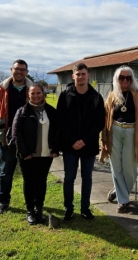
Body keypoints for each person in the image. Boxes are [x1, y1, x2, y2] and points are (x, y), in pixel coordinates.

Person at [100, 66, 138, 213]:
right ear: (116, 79)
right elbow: (105, 116)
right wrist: (104, 139)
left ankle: (119, 191)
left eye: (128, 78)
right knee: (116, 167)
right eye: (122, 77)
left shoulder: (137, 94)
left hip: (132, 132)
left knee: (129, 168)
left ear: (132, 79)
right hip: (114, 132)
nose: (125, 80)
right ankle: (123, 200)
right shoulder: (113, 95)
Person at [56, 63, 105, 222]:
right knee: (69, 178)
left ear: (88, 75)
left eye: (83, 74)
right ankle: (68, 209)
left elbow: (100, 123)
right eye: (78, 74)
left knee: (87, 177)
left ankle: (85, 209)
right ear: (73, 76)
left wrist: (84, 140)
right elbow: (60, 121)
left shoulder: (97, 97)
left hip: (88, 146)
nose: (81, 77)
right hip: (70, 146)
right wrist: (72, 141)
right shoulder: (65, 96)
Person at [0, 59, 32, 215]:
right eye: (16, 69)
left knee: (29, 173)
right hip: (6, 139)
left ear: (27, 72)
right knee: (6, 172)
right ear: (11, 70)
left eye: (22, 69)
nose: (19, 72)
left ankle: (31, 203)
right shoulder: (1, 89)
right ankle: (3, 202)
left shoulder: (33, 89)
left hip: (27, 140)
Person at [11, 84, 59, 225]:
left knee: (41, 181)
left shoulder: (51, 111)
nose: (36, 96)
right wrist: (25, 153)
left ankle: (39, 208)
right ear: (28, 95)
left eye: (38, 93)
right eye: (33, 93)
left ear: (43, 94)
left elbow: (57, 131)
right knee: (29, 181)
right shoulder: (22, 112)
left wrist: (55, 149)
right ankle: (30, 211)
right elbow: (16, 134)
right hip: (27, 156)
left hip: (46, 155)